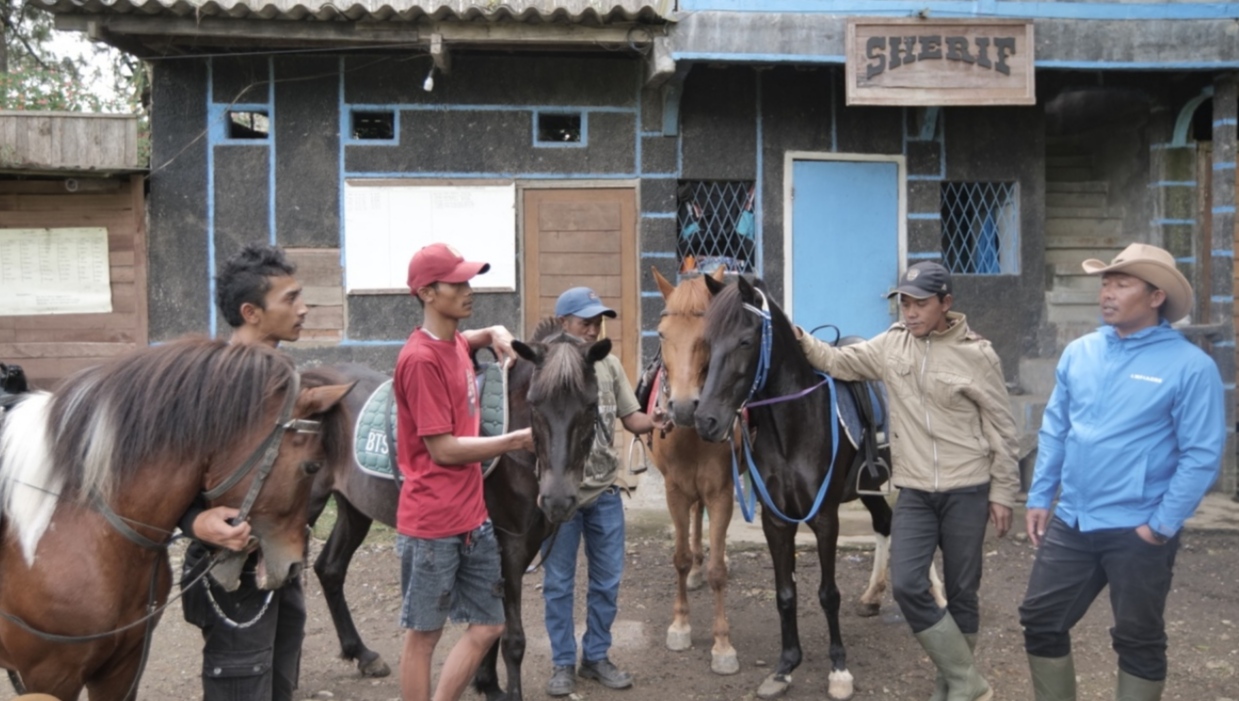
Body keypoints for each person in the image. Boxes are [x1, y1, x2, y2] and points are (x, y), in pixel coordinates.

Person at [796, 261, 1019, 701]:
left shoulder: (978, 355)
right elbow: (839, 361)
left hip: (967, 488)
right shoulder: (891, 345)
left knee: (961, 591)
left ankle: (951, 686)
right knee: (907, 585)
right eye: (904, 303)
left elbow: (1002, 427)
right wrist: (798, 336)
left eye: (920, 303)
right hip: (914, 488)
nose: (910, 312)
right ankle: (970, 682)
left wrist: (1003, 491)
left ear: (946, 304)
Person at [1018, 243, 1224, 701]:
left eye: (1121, 283)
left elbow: (1202, 455)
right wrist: (1040, 496)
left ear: (1155, 298)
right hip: (1073, 520)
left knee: (1138, 638)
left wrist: (1160, 526)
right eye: (1105, 283)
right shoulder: (1081, 353)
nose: (1107, 293)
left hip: (1138, 527)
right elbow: (1056, 428)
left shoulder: (1190, 367)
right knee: (1041, 619)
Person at [395, 242, 534, 701]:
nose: (468, 289)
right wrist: (516, 440)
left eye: (468, 280)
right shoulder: (419, 361)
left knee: (490, 622)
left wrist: (490, 331)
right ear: (427, 293)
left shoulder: (452, 340)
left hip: (473, 520)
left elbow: (462, 339)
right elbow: (444, 449)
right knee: (424, 636)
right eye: (457, 283)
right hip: (433, 525)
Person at [179, 243, 310, 701]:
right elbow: (163, 478)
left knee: (278, 684)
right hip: (227, 567)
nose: (303, 309)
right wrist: (195, 522)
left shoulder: (284, 376)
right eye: (290, 299)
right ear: (251, 312)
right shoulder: (208, 385)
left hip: (281, 561)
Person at [542, 287, 659, 697]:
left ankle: (595, 657)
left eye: (597, 322)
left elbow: (632, 418)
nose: (593, 330)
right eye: (584, 322)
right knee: (558, 583)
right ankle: (562, 664)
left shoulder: (608, 365)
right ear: (563, 323)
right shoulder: (550, 369)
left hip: (606, 493)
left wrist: (661, 416)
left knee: (606, 582)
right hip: (562, 499)